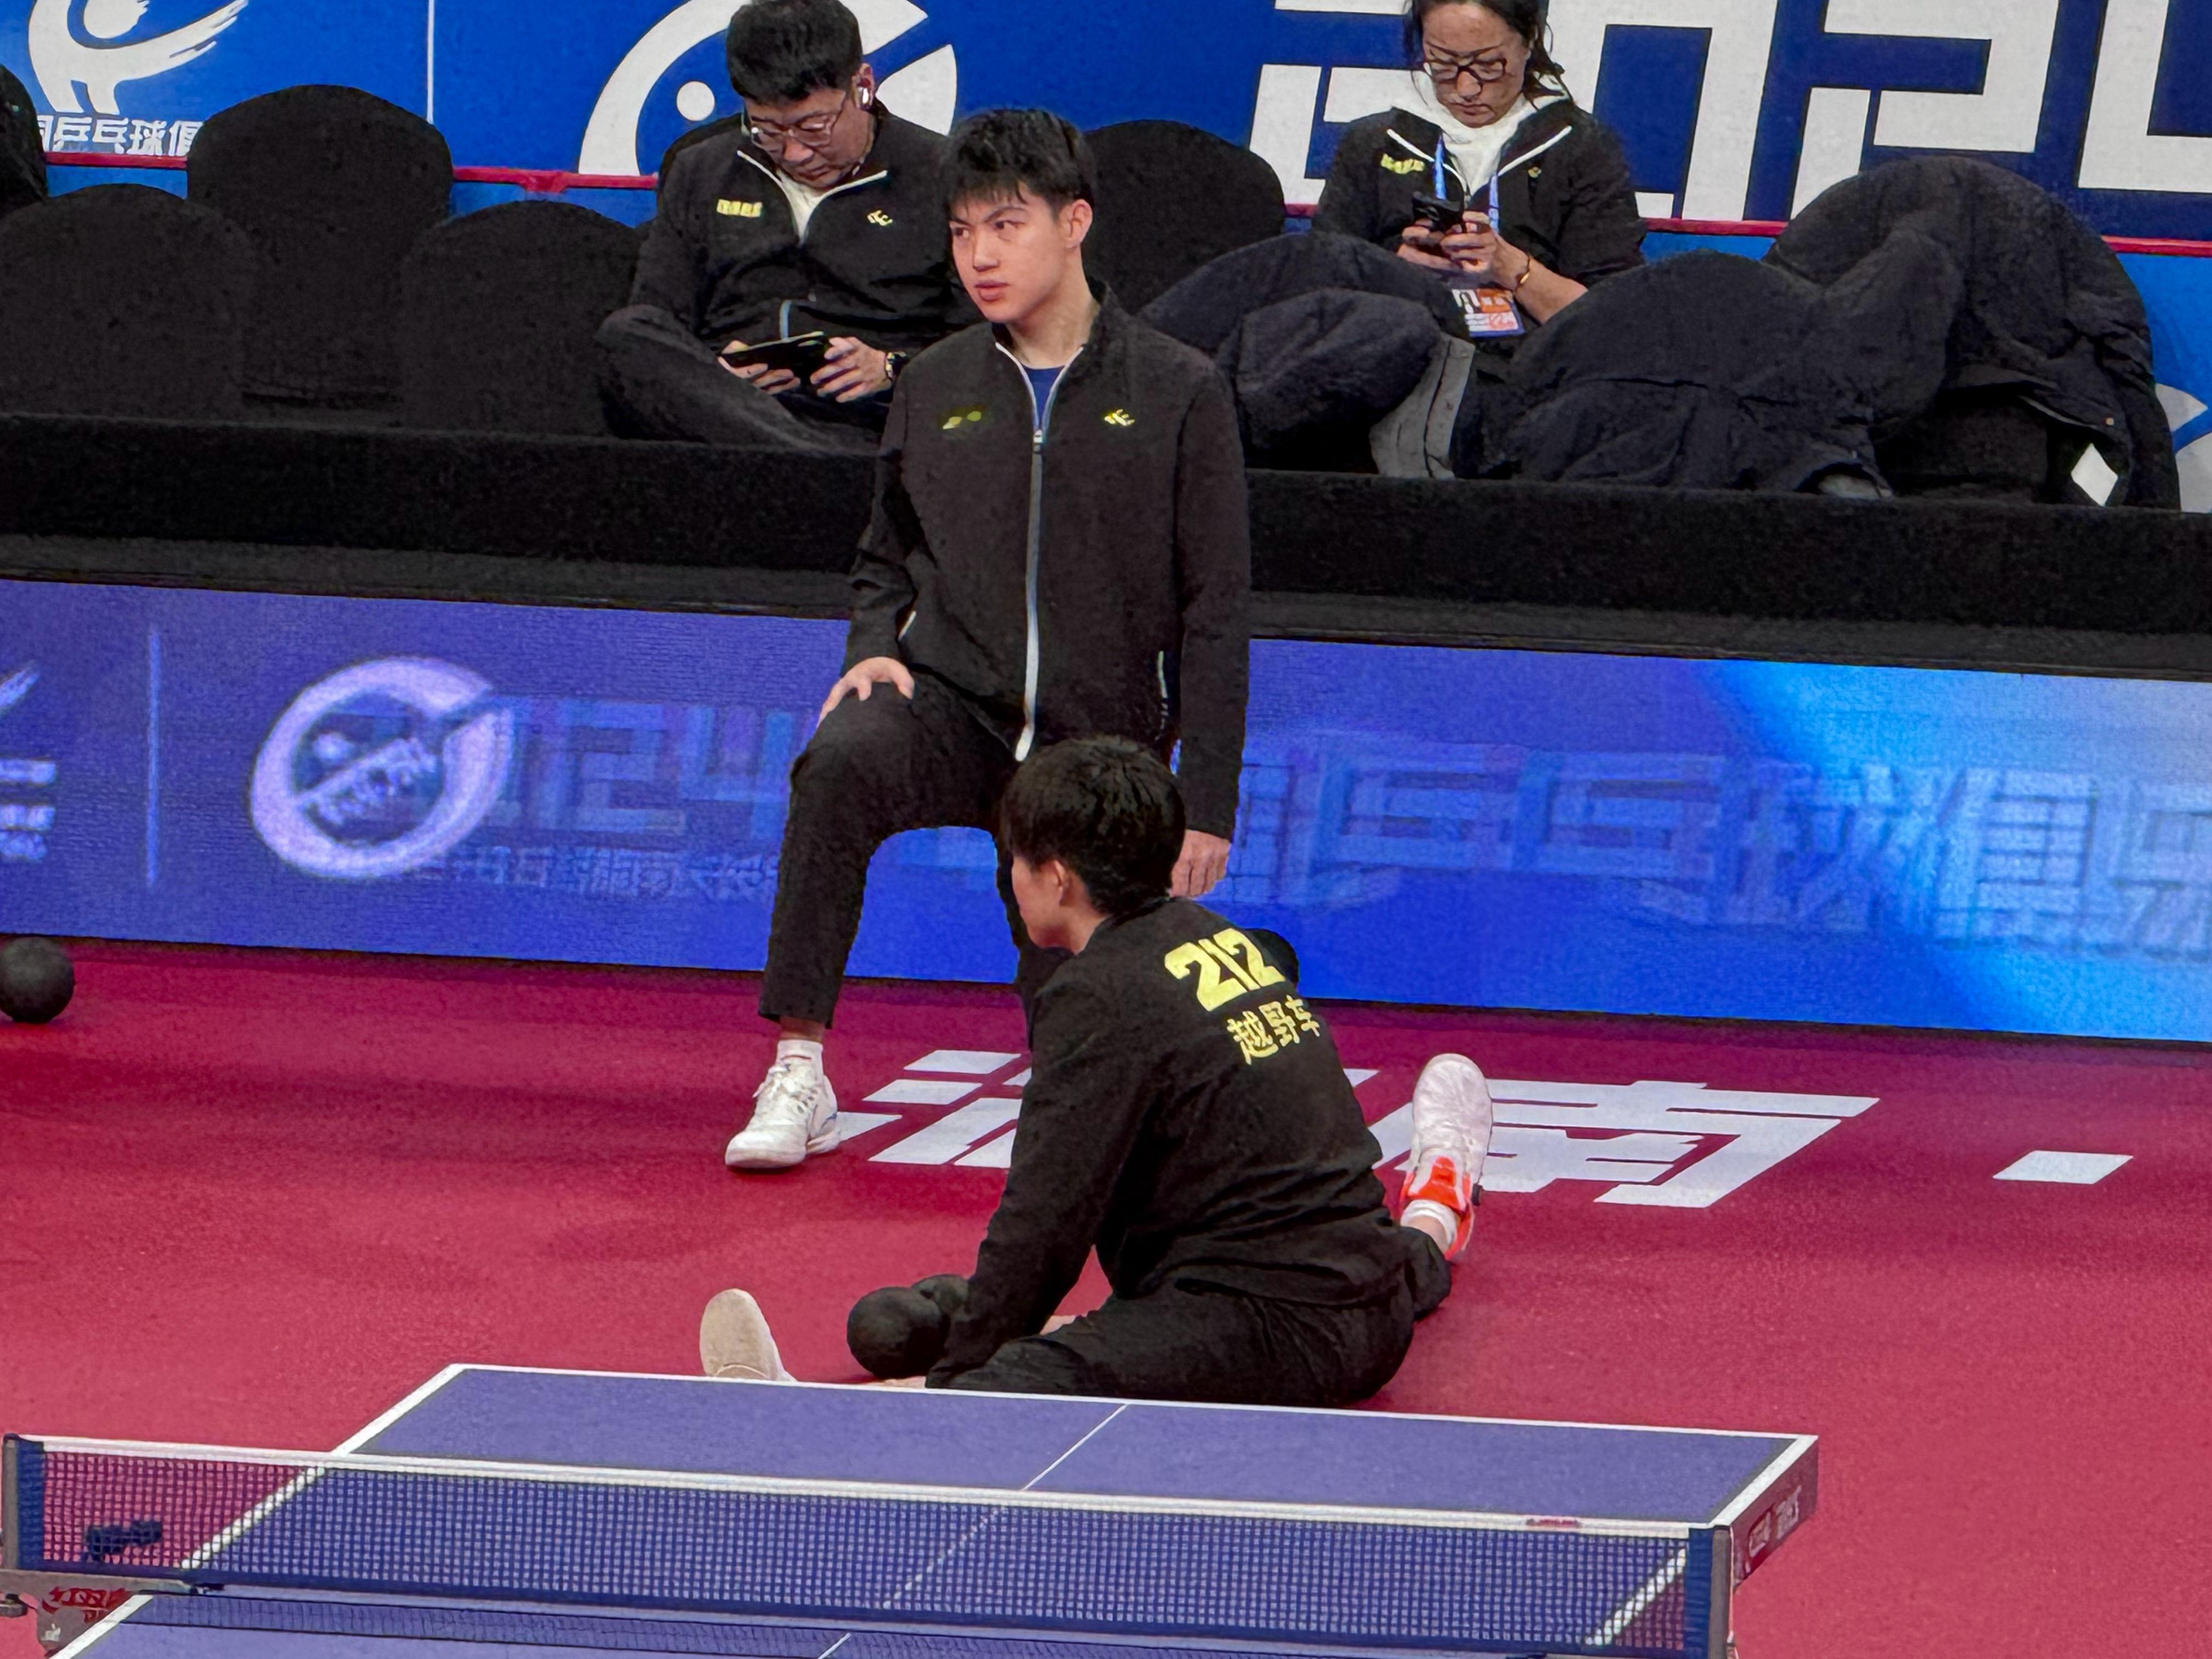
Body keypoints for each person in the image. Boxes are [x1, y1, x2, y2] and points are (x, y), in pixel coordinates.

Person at [720, 111, 1250, 1171]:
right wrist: (870, 645)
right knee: (839, 760)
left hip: (1092, 744)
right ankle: (799, 1063)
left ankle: (1086, 1087)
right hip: (952, 704)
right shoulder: (934, 382)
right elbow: (885, 551)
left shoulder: (1178, 388)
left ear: (1074, 222)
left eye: (1006, 226)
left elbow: (1216, 607)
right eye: (963, 232)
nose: (980, 257)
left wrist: (1206, 800)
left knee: (1079, 1062)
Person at [700, 738, 1493, 1406]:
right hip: (1363, 1284)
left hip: (1285, 1326)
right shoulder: (1213, 936)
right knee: (891, 1327)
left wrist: (962, 1384)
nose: (1011, 876)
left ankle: (809, 1414)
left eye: (1016, 858)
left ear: (1057, 878)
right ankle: (1437, 1202)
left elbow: (1046, 1225)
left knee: (1014, 1379)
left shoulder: (1099, 995)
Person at [596, 0, 973, 452]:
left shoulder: (942, 173)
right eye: (767, 130)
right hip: (727, 416)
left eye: (814, 127)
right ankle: (814, 463)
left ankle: (810, 462)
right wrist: (718, 370)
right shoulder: (701, 171)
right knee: (627, 335)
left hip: (870, 418)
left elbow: (983, 341)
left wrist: (892, 367)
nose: (795, 153)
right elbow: (659, 318)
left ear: (863, 86)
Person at [1312, 0, 1644, 332]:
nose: (1466, 89)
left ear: (1530, 40)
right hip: (1397, 349)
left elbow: (1615, 321)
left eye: (1488, 65)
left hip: (1529, 358)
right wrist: (1389, 274)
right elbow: (1317, 290)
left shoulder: (1581, 148)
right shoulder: (1373, 143)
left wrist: (1511, 268)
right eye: (1442, 63)